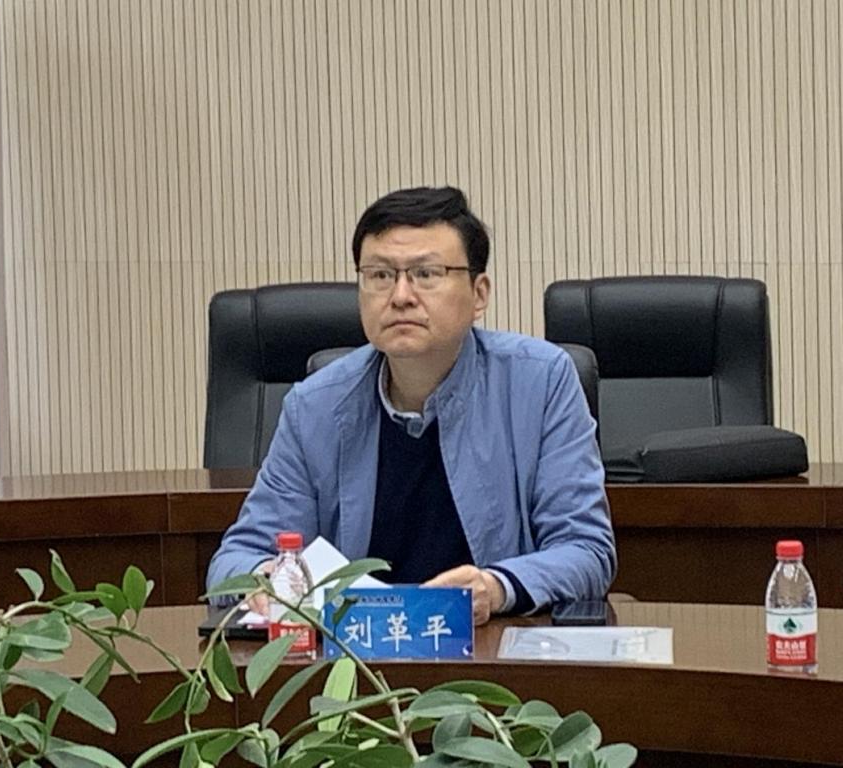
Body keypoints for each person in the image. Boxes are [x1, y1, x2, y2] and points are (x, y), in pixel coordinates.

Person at [207, 186, 615, 624]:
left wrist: (496, 588)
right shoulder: (314, 405)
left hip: (495, 648)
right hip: (355, 656)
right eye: (380, 275)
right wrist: (265, 577)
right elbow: (235, 559)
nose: (400, 295)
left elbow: (586, 550)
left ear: (479, 294)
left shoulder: (541, 381)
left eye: (426, 273)